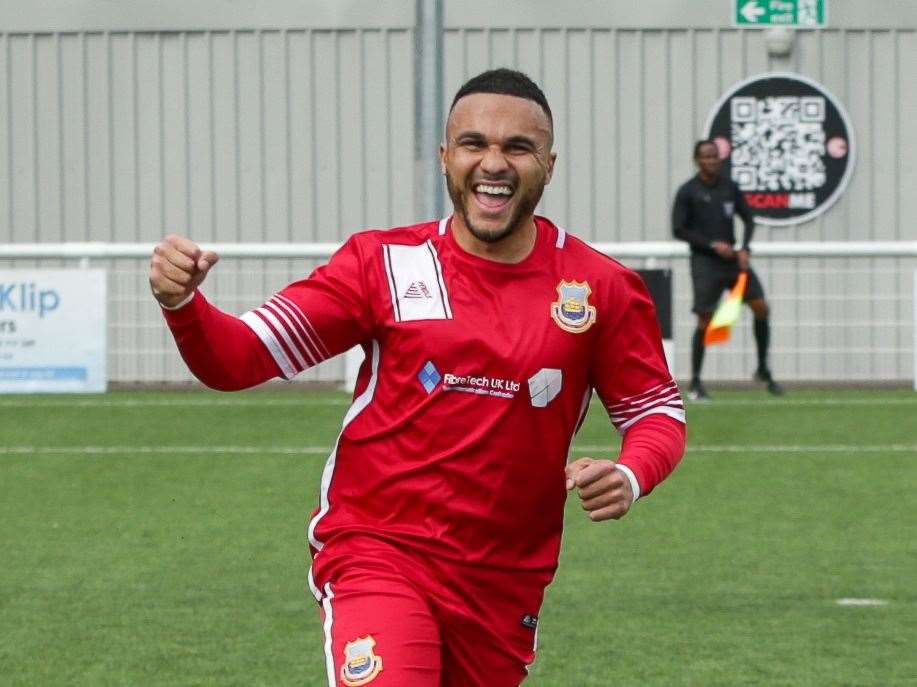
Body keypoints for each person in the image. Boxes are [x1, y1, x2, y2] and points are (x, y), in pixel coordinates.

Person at [149, 68, 686, 687]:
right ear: (444, 158)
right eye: (474, 144)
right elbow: (237, 359)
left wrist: (630, 472)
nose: (494, 163)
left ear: (549, 164)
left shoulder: (601, 287)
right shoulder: (380, 263)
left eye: (518, 147)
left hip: (503, 580)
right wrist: (183, 304)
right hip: (378, 550)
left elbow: (655, 414)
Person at [672, 139, 783, 400]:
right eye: (705, 157)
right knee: (706, 320)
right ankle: (696, 382)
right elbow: (678, 229)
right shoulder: (688, 192)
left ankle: (763, 368)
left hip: (733, 261)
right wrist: (711, 245)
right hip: (705, 263)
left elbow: (748, 218)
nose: (711, 161)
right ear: (697, 160)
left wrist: (744, 248)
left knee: (761, 306)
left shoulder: (729, 187)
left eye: (714, 156)